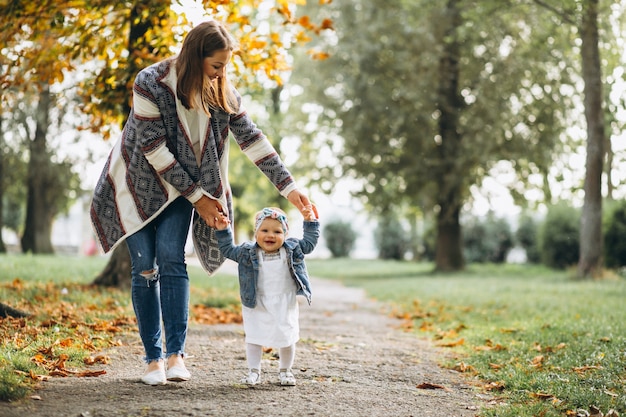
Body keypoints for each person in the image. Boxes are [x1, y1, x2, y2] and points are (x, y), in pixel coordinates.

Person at [89, 20, 311, 386]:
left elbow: (253, 140)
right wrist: (200, 199)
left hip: (181, 189)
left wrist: (289, 188)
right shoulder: (150, 82)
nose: (223, 73)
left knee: (171, 256)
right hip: (136, 184)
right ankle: (152, 360)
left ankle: (176, 355)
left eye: (226, 66)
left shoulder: (222, 92)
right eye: (217, 65)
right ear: (195, 57)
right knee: (144, 266)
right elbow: (152, 147)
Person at [214, 206, 319, 386]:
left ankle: (285, 371)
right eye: (265, 230)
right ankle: (254, 371)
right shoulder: (247, 252)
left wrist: (310, 221)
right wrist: (224, 230)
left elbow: (309, 243)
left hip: (284, 303)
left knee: (286, 337)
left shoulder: (291, 249)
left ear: (285, 234)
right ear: (256, 233)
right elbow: (228, 250)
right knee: (254, 337)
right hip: (256, 302)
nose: (270, 235)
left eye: (277, 231)